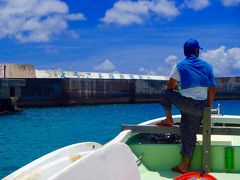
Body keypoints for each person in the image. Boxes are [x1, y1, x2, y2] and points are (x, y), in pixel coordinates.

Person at [156, 39, 216, 174]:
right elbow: (212, 87)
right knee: (190, 134)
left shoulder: (180, 65)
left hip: (186, 104)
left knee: (165, 92)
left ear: (185, 52)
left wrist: (177, 88)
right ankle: (184, 165)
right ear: (196, 51)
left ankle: (169, 119)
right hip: (201, 107)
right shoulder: (207, 66)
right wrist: (208, 105)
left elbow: (169, 87)